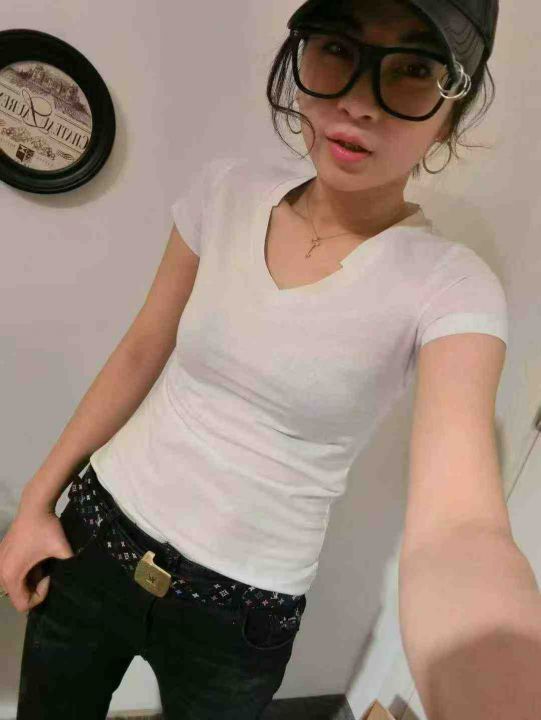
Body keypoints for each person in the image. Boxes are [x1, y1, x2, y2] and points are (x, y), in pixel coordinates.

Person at [0, 0, 510, 718]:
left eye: (413, 69)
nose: (360, 102)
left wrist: (498, 680)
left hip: (239, 616)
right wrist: (36, 502)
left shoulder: (449, 286)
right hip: (96, 537)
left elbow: (461, 525)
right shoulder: (226, 191)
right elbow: (142, 348)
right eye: (338, 48)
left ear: (451, 112)